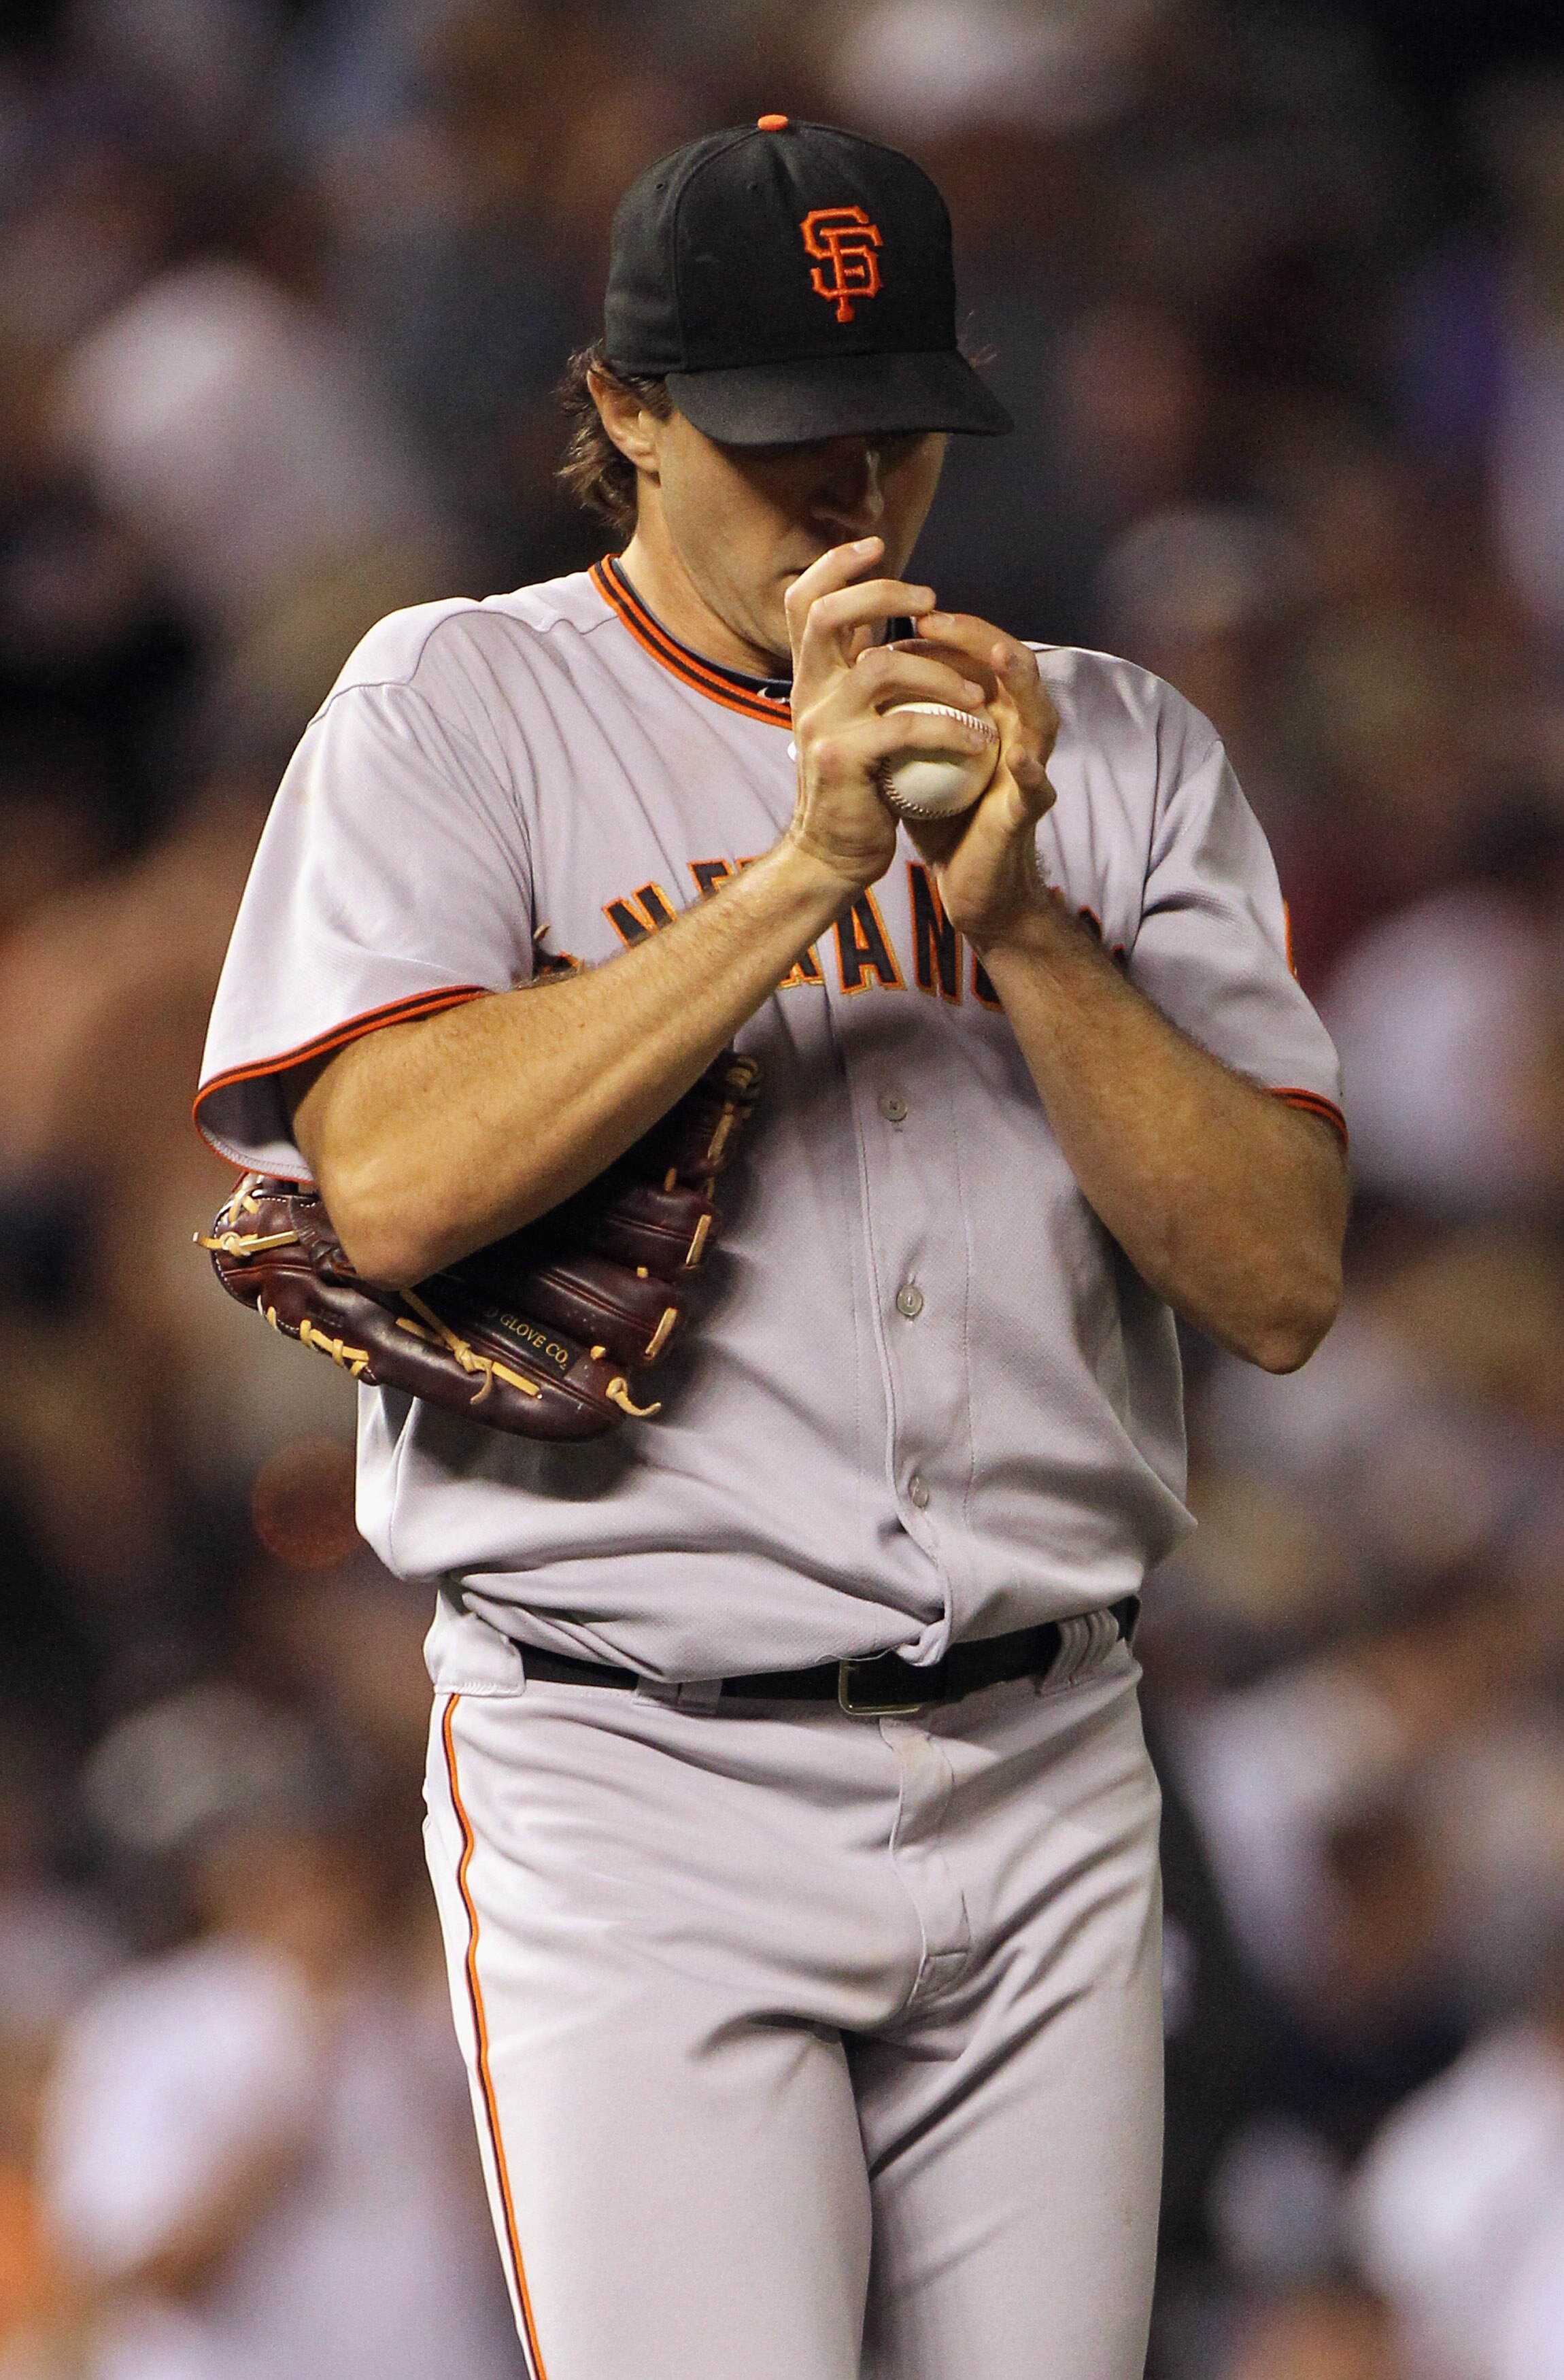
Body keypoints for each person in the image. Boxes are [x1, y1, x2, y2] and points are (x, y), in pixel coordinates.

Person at [195, 118, 1348, 2380]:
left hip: (1043, 1755)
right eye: (784, 438)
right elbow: (399, 1186)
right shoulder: (460, 706)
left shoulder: (1108, 752)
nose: (852, 495)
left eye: (894, 432)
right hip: (637, 1779)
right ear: (622, 409)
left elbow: (1278, 1278)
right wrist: (800, 872)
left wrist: (1014, 921)